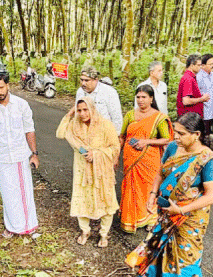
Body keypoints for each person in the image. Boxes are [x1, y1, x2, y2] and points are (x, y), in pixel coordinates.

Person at [126, 112, 213, 277]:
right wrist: (152, 193)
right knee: (159, 249)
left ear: (196, 135)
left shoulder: (208, 160)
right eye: (175, 132)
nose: (175, 137)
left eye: (181, 133)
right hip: (167, 212)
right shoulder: (172, 148)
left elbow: (212, 196)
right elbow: (160, 173)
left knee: (182, 256)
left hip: (189, 217)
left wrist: (181, 209)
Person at [57, 99, 120, 247]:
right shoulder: (74, 125)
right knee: (82, 199)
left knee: (106, 199)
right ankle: (85, 230)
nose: (83, 113)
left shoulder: (105, 125)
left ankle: (104, 233)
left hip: (102, 170)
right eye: (79, 110)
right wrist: (70, 113)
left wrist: (96, 154)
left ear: (92, 109)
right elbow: (60, 133)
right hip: (81, 169)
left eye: (86, 110)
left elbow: (115, 147)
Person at [0, 76, 39, 237]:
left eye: (1, 88)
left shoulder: (21, 105)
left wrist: (34, 154)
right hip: (1, 156)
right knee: (7, 191)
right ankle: (12, 226)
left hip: (20, 155)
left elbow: (29, 130)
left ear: (8, 85)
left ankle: (28, 226)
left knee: (23, 191)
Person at [120, 85, 173, 233]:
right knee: (131, 188)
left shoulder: (159, 117)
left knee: (148, 188)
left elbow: (166, 140)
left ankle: (150, 218)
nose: (141, 100)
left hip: (149, 160)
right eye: (138, 97)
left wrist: (146, 141)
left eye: (144, 97)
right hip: (130, 157)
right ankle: (130, 220)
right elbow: (122, 136)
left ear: (151, 99)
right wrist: (115, 155)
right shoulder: (130, 115)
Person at [75, 67, 123, 133]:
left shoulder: (109, 92)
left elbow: (116, 116)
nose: (83, 83)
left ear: (95, 80)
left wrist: (117, 134)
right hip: (85, 132)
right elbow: (77, 112)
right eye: (81, 80)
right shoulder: (80, 91)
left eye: (86, 80)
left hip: (104, 132)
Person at [196, 53, 213, 139]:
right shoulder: (198, 77)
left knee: (208, 135)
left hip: (212, 110)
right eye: (210, 64)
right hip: (203, 112)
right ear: (203, 65)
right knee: (202, 135)